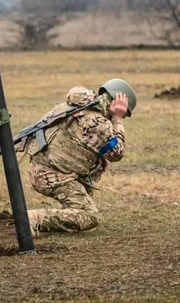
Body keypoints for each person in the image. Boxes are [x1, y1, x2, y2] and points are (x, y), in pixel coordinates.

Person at [20, 79, 137, 236]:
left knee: (95, 168)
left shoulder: (79, 106)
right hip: (50, 175)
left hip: (42, 167)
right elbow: (117, 153)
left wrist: (98, 157)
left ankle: (69, 214)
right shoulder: (98, 122)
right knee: (90, 216)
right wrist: (117, 119)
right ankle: (33, 218)